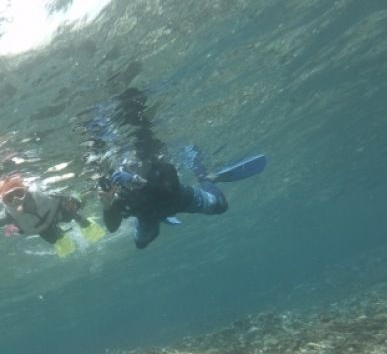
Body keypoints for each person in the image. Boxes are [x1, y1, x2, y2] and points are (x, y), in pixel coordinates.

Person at [92, 88, 264, 249]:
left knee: (219, 206)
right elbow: (113, 227)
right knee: (140, 243)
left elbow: (170, 191)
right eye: (126, 166)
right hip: (148, 214)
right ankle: (156, 220)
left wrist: (136, 181)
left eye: (132, 164)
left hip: (179, 200)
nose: (129, 166)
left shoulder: (158, 164)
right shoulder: (121, 190)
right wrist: (107, 206)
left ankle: (204, 176)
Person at [0, 174, 105, 257]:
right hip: (43, 229)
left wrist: (76, 199)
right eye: (9, 198)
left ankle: (85, 224)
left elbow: (62, 192)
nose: (16, 200)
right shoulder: (8, 215)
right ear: (3, 201)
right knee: (60, 242)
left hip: (57, 213)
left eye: (18, 193)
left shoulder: (42, 194)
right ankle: (62, 235)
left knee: (73, 210)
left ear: (26, 190)